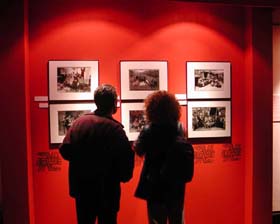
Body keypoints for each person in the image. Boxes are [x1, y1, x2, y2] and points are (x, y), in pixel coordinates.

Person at [59, 84, 135, 224]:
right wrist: (121, 175)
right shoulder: (115, 129)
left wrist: (82, 161)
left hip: (82, 188)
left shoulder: (79, 123)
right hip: (107, 189)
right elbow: (126, 160)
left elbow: (65, 150)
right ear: (114, 103)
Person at [134, 90, 194, 224]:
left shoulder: (149, 130)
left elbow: (139, 150)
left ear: (151, 109)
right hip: (176, 184)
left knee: (156, 220)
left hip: (155, 185)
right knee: (177, 219)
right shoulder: (180, 128)